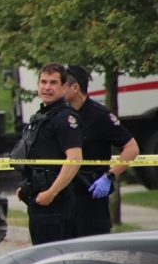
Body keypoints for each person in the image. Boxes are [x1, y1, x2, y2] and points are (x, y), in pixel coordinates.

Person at [10, 63, 83, 244]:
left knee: (52, 261)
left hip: (55, 202)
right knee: (41, 256)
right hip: (40, 198)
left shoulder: (65, 118)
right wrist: (28, 186)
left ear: (64, 87)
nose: (47, 87)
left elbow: (74, 159)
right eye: (43, 82)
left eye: (53, 82)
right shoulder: (42, 116)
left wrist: (52, 192)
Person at [63, 64, 139, 237]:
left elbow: (132, 148)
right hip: (66, 195)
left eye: (62, 84)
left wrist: (109, 176)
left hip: (91, 196)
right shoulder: (62, 115)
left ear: (75, 88)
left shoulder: (100, 115)